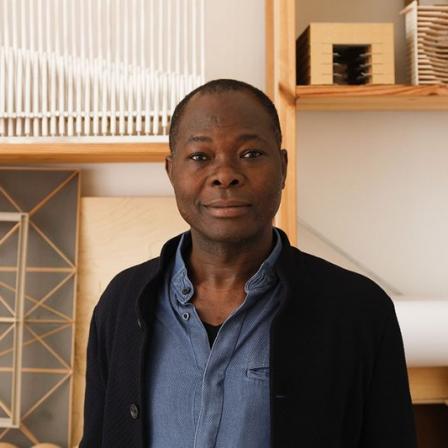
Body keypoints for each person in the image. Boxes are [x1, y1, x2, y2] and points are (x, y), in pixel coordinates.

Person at [80, 79, 417, 447]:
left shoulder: (359, 311)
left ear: (283, 167)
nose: (225, 174)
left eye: (251, 154)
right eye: (200, 157)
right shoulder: (123, 301)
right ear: (171, 171)